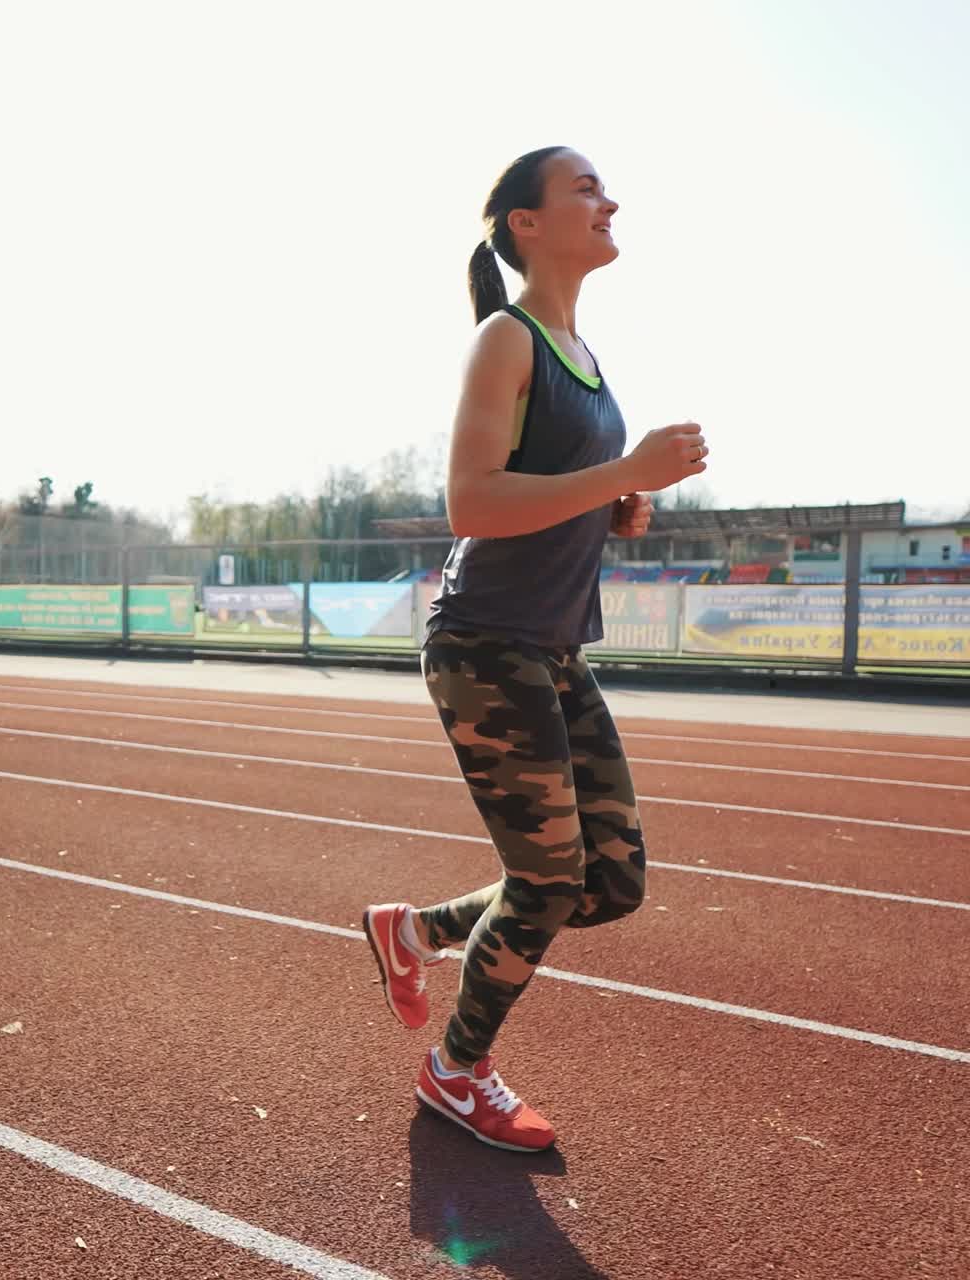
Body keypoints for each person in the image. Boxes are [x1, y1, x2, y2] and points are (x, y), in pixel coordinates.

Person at [364, 146, 709, 1152]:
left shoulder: (585, 357)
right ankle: (455, 1071)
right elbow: (470, 501)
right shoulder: (504, 339)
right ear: (525, 223)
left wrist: (622, 495)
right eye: (584, 189)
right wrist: (617, 471)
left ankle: (415, 929)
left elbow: (557, 489)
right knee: (548, 878)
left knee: (607, 880)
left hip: (550, 650)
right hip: (483, 645)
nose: (609, 201)